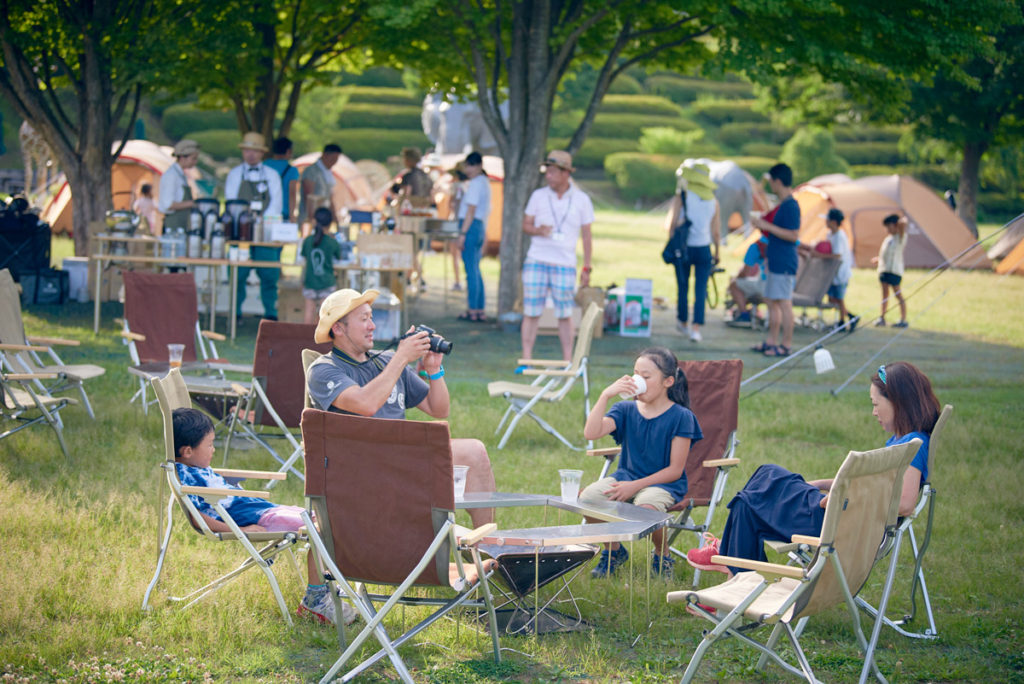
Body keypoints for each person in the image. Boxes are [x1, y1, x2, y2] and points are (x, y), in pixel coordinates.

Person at [686, 361, 939, 577]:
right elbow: (873, 484)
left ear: (897, 402)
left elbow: (905, 504)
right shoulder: (904, 441)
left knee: (759, 487)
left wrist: (847, 497)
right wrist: (825, 484)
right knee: (751, 498)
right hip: (838, 513)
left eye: (875, 404)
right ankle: (731, 561)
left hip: (837, 523)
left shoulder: (912, 445)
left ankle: (729, 556)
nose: (873, 412)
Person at [305, 288, 496, 526]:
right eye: (364, 319)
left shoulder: (385, 360)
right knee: (471, 451)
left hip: (401, 457)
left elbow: (439, 409)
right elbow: (365, 404)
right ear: (338, 328)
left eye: (371, 317)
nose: (372, 325)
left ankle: (485, 548)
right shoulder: (324, 369)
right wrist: (401, 358)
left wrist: (434, 369)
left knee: (475, 453)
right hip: (362, 465)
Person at [172, 407, 356, 627]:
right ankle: (314, 600)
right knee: (322, 527)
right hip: (259, 518)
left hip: (264, 510)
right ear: (188, 451)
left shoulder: (198, 467)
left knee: (323, 518)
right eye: (210, 444)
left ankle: (325, 588)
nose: (213, 450)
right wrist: (241, 531)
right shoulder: (187, 475)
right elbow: (197, 519)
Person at [581, 347, 703, 580]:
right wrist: (605, 395)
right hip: (625, 478)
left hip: (664, 484)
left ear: (668, 381)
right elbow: (591, 432)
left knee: (646, 506)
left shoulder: (681, 417)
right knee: (588, 499)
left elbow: (674, 470)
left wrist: (634, 487)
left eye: (646, 377)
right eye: (635, 374)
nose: (638, 381)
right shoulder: (625, 409)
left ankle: (662, 554)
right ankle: (614, 551)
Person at [520, 150, 594, 361]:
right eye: (547, 172)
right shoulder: (538, 195)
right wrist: (537, 230)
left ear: (565, 173)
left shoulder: (581, 200)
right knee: (531, 311)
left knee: (564, 313)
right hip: (537, 259)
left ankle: (568, 359)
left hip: (565, 263)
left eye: (552, 172)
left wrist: (587, 267)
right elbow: (525, 225)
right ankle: (526, 358)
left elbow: (587, 236)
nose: (548, 176)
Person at [225, 132, 284, 321]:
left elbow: (276, 204)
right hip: (239, 232)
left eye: (255, 151)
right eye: (247, 150)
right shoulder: (234, 175)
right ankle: (236, 312)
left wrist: (259, 222)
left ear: (261, 153)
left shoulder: (272, 175)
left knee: (269, 274)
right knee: (237, 275)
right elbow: (231, 202)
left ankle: (270, 313)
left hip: (264, 232)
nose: (250, 154)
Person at [665, 163, 720, 343]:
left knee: (683, 285)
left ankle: (682, 321)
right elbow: (716, 231)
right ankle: (696, 328)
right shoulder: (714, 201)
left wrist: (673, 241)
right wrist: (717, 251)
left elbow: (672, 225)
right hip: (704, 248)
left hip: (685, 248)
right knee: (700, 288)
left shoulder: (683, 196)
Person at [750, 163, 800, 357]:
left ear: (778, 181)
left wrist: (766, 226)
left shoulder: (791, 206)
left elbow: (793, 235)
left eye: (771, 181)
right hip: (776, 260)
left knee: (784, 303)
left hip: (785, 262)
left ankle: (786, 345)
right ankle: (771, 341)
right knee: (771, 300)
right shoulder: (782, 205)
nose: (770, 185)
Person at [455, 151, 491, 322]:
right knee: (476, 269)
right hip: (479, 225)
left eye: (471, 165)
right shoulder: (484, 182)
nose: (468, 169)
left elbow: (470, 210)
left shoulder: (476, 184)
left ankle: (472, 310)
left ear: (478, 166)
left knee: (471, 270)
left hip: (471, 226)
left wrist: (462, 233)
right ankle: (479, 308)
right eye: (467, 165)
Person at [299, 207, 341, 324]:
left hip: (310, 282)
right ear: (330, 223)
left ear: (314, 221)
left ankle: (306, 338)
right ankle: (322, 339)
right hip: (327, 282)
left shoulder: (307, 241)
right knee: (325, 314)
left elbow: (304, 258)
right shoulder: (332, 242)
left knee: (309, 311)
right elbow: (339, 258)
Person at [872, 214, 909, 328]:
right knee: (884, 295)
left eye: (889, 226)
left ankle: (903, 319)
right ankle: (882, 317)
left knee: (898, 295)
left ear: (895, 226)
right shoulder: (888, 239)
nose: (887, 229)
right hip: (884, 270)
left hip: (894, 271)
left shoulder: (900, 237)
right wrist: (878, 260)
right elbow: (885, 255)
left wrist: (898, 222)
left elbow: (903, 223)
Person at [157, 139, 200, 234]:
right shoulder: (171, 175)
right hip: (173, 227)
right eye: (193, 158)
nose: (195, 162)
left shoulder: (181, 175)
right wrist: (192, 203)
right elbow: (167, 205)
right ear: (182, 158)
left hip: (182, 226)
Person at [823, 207, 856, 331]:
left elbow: (837, 255)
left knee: (840, 298)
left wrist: (820, 255)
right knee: (833, 298)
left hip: (841, 272)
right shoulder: (830, 234)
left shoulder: (839, 236)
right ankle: (851, 316)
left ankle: (842, 321)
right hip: (833, 273)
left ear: (833, 221)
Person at [726, 236, 768, 326]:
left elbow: (745, 272)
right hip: (785, 285)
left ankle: (744, 314)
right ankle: (745, 309)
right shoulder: (784, 243)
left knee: (734, 284)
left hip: (765, 286)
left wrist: (736, 278)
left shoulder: (757, 246)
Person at [299, 143, 341, 229]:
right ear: (325, 155)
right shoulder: (311, 171)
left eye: (336, 160)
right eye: (332, 159)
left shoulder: (328, 173)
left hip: (324, 219)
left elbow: (330, 198)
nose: (334, 162)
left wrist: (335, 218)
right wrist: (312, 220)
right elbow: (309, 197)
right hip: (313, 219)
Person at [264, 137, 300, 222]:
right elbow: (292, 193)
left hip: (265, 211)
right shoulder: (292, 170)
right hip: (282, 214)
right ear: (288, 151)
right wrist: (292, 216)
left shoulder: (265, 165)